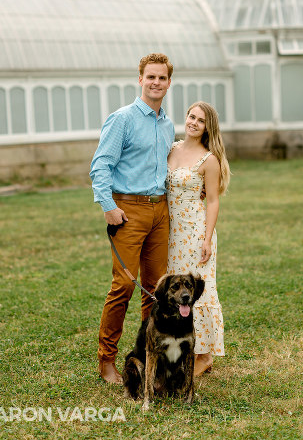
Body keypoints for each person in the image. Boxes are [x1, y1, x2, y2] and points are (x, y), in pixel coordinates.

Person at [89, 53, 175, 384]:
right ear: (140, 79)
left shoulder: (167, 124)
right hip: (127, 211)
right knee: (124, 285)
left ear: (169, 82)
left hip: (160, 212)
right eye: (150, 77)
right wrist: (108, 206)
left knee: (155, 290)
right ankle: (106, 360)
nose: (156, 83)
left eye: (162, 78)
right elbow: (101, 165)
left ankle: (148, 358)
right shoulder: (122, 119)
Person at [166, 101, 231, 377]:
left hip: (195, 233)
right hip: (171, 233)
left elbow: (213, 201)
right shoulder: (172, 149)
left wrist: (206, 240)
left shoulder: (209, 159)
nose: (193, 122)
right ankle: (181, 348)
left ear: (208, 127)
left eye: (200, 120)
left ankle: (204, 356)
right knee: (175, 291)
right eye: (191, 116)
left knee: (198, 292)